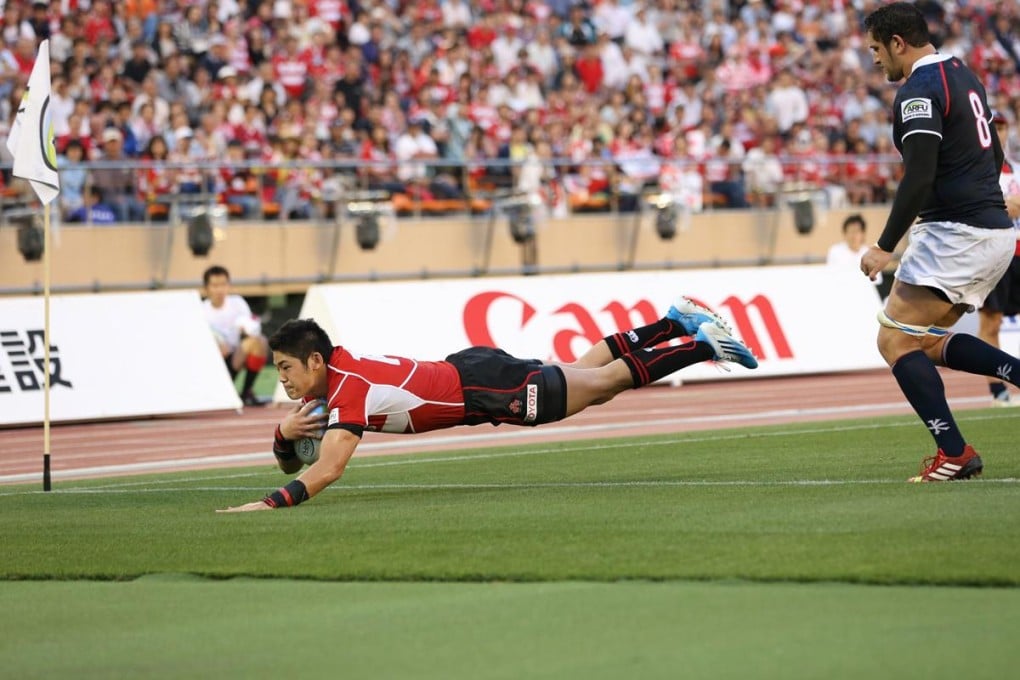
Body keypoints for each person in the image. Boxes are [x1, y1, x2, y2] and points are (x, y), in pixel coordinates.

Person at [217, 298, 759, 511]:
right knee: (586, 372)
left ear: (314, 361)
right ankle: (671, 323)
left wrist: (266, 505)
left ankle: (699, 345)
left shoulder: (347, 387)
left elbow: (329, 468)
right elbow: (301, 460)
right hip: (472, 373)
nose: (282, 379)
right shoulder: (333, 383)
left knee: (600, 385)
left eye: (286, 368)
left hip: (480, 388)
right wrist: (283, 437)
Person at [859, 3, 1020, 482]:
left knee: (893, 340)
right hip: (992, 233)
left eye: (874, 49)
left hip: (956, 234)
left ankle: (954, 451)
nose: (873, 60)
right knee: (921, 342)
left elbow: (919, 175)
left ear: (897, 43)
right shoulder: (964, 75)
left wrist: (886, 245)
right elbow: (991, 157)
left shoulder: (919, 91)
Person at [977, 110, 1020, 407]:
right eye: (995, 127)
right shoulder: (978, 173)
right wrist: (1000, 207)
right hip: (994, 255)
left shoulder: (1017, 170)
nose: (1000, 133)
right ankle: (998, 390)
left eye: (1004, 127)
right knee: (990, 323)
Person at [201, 265, 270, 407]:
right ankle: (220, 389)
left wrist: (247, 329)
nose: (219, 290)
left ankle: (246, 393)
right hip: (214, 364)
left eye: (223, 284)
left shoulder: (237, 303)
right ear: (206, 288)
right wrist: (215, 345)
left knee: (260, 341)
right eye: (214, 285)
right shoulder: (201, 310)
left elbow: (252, 329)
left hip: (235, 358)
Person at [827, 214, 882, 287]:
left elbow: (877, 280)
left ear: (863, 234)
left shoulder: (871, 254)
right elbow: (831, 277)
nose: (853, 235)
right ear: (844, 233)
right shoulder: (835, 251)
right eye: (850, 231)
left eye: (857, 231)